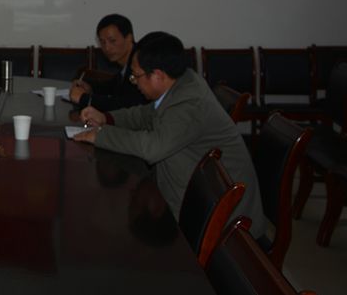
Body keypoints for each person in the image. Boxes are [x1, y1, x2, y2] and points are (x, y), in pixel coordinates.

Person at [74, 31, 267, 240]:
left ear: (158, 75)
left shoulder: (189, 102)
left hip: (225, 222)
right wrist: (106, 118)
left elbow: (153, 148)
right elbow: (146, 115)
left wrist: (100, 135)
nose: (134, 82)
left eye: (136, 76)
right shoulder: (180, 82)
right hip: (197, 195)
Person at [69, 13, 146, 111]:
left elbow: (127, 105)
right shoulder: (127, 63)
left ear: (129, 38)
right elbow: (112, 86)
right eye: (102, 42)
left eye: (112, 41)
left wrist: (85, 99)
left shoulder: (140, 63)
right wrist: (90, 87)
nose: (107, 48)